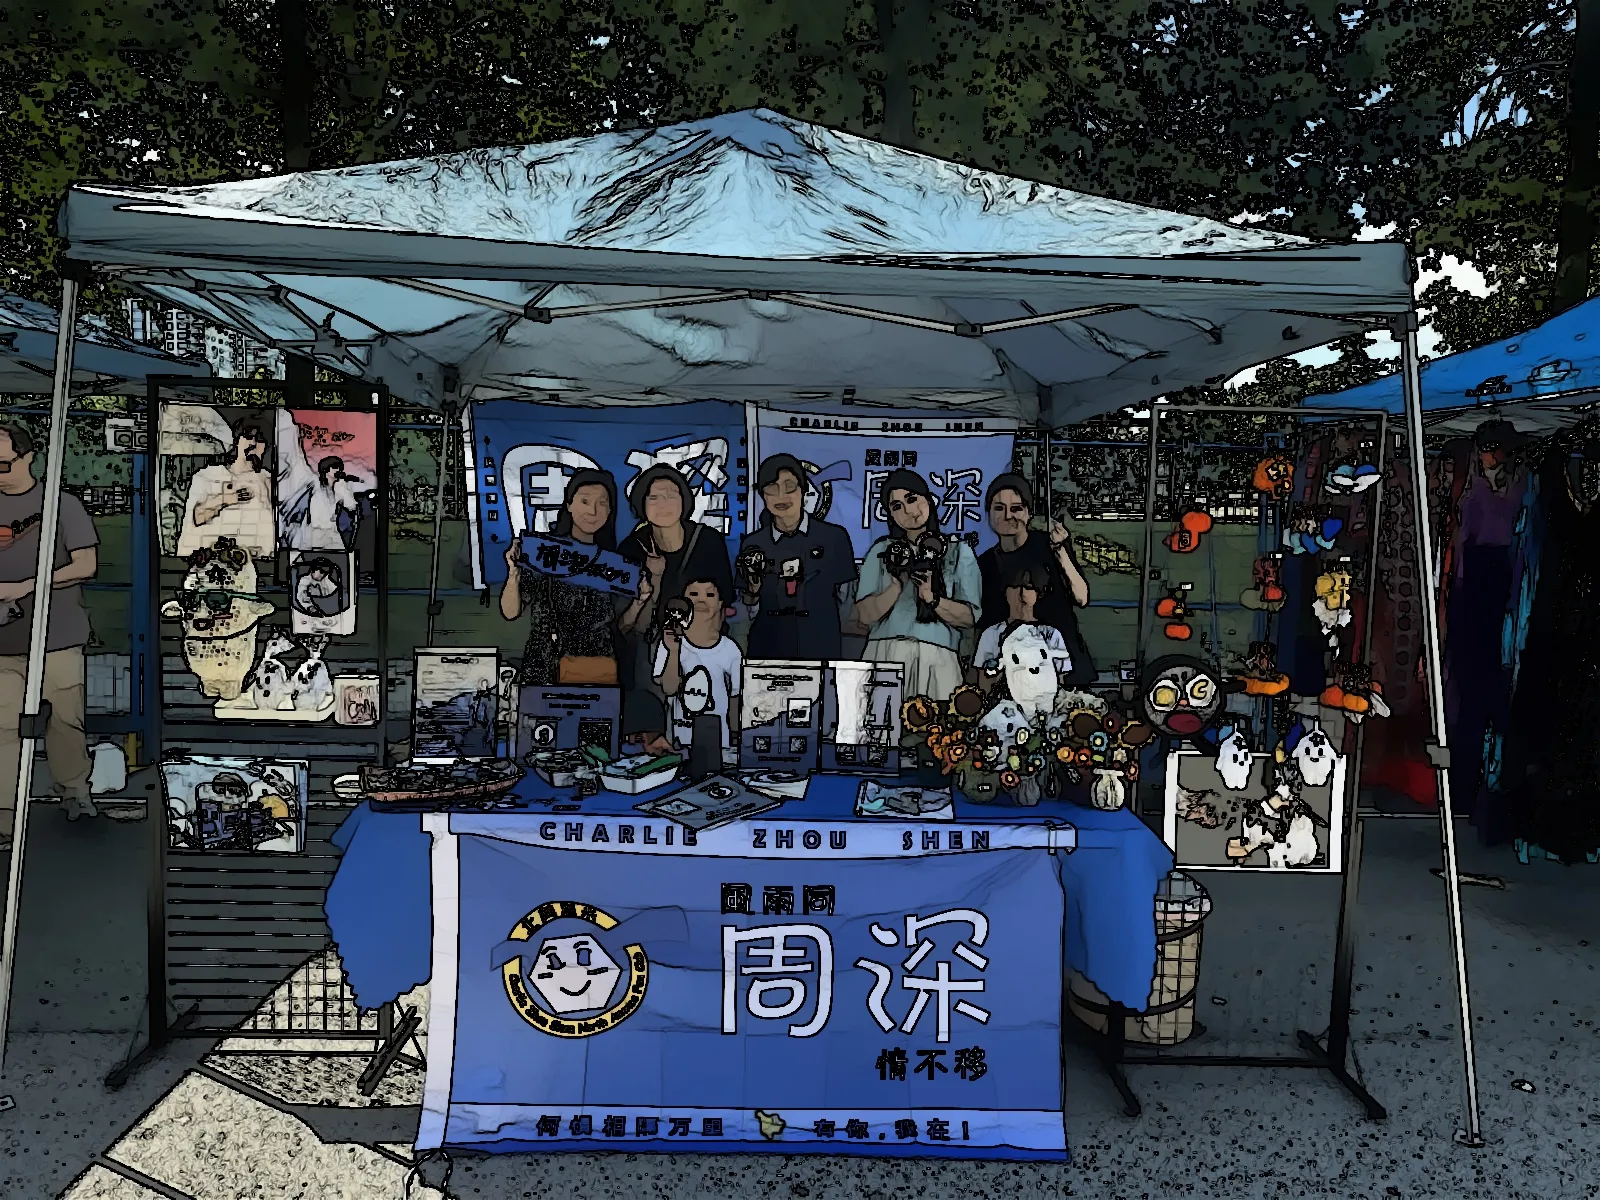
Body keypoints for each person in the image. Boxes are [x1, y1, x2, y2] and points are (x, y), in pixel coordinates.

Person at [0, 423, 101, 846]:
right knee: (2, 725)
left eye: (3, 463)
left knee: (65, 719)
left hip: (57, 635)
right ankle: (5, 811)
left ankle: (74, 791)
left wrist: (25, 587)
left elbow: (85, 565)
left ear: (28, 458)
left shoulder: (62, 505)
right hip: (5, 641)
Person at [616, 464, 733, 746]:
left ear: (685, 500)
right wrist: (654, 577)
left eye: (671, 495)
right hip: (650, 648)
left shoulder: (708, 541)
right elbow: (627, 624)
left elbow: (724, 603)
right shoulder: (631, 548)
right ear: (641, 504)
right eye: (653, 497)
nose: (663, 504)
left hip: (702, 648)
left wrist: (698, 648)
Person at [853, 469, 982, 700]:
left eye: (912, 499)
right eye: (897, 507)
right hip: (885, 655)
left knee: (936, 733)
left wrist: (932, 599)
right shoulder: (882, 551)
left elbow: (968, 618)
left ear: (929, 499)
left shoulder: (958, 551)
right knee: (881, 731)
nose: (908, 511)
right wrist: (895, 588)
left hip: (938, 659)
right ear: (890, 516)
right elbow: (864, 615)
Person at [501, 469, 623, 689]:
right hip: (544, 668)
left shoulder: (615, 564)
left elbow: (625, 623)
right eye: (584, 501)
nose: (592, 510)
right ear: (569, 504)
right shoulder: (544, 553)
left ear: (610, 510)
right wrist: (513, 574)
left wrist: (643, 598)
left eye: (602, 503)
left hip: (596, 671)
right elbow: (510, 612)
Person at [977, 473, 1096, 688]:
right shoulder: (984, 563)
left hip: (1063, 666)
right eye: (998, 508)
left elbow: (1082, 597)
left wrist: (1060, 550)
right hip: (1011, 675)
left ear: (1029, 513)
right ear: (988, 514)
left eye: (1016, 508)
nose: (1007, 516)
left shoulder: (1049, 544)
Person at [735, 454, 857, 661]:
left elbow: (846, 602)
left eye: (789, 486)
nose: (781, 496)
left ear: (803, 490)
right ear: (762, 495)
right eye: (772, 488)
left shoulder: (834, 537)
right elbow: (746, 605)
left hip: (820, 648)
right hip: (768, 649)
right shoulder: (753, 544)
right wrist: (753, 592)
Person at [653, 576, 743, 760]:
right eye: (693, 594)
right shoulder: (669, 642)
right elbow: (669, 689)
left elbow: (736, 699)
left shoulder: (730, 649)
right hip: (678, 745)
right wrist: (673, 650)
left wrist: (738, 741)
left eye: (709, 594)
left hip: (718, 746)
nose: (701, 600)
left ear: (720, 604)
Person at [176, 419, 275, 559]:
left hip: (256, 560)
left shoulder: (268, 480)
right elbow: (197, 517)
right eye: (247, 437)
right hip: (214, 560)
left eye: (259, 439)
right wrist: (225, 499)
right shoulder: (209, 475)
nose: (252, 443)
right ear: (237, 441)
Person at [973, 563, 1074, 680]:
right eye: (1015, 586)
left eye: (1029, 587)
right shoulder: (991, 634)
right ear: (1005, 591)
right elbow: (984, 680)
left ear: (1039, 592)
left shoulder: (1051, 634)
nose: (1022, 593)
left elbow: (1059, 680)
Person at [284, 455, 363, 552]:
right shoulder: (316, 485)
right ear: (325, 470)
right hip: (317, 532)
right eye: (334, 467)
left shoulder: (338, 488)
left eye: (339, 468)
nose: (337, 470)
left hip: (332, 531)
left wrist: (343, 485)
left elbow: (351, 506)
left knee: (341, 558)